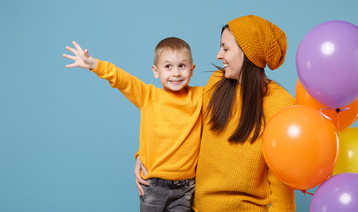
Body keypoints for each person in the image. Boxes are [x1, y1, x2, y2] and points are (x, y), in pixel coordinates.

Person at [135, 15, 296, 211]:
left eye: (226, 48)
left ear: (247, 52)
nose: (219, 55)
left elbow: (281, 180)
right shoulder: (217, 83)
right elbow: (180, 122)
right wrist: (143, 157)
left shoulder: (281, 103)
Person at [63, 37, 204, 212]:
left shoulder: (199, 97)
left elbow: (225, 83)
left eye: (182, 66)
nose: (175, 73)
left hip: (185, 188)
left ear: (192, 70)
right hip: (153, 185)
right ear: (156, 71)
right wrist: (95, 65)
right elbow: (123, 80)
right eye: (168, 66)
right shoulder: (148, 96)